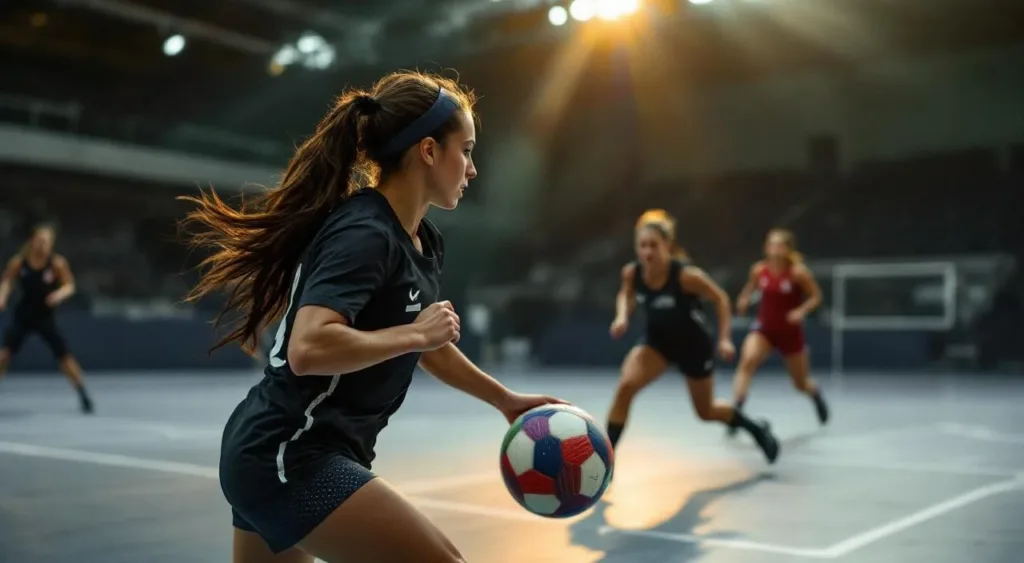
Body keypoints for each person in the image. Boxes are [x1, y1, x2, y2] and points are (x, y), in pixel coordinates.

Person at [179, 70, 568, 563]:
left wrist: (504, 400)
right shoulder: (364, 232)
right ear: (428, 151)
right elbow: (308, 348)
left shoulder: (422, 239)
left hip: (286, 451)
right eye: (466, 150)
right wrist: (412, 333)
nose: (472, 169)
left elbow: (427, 344)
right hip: (290, 454)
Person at [607, 209, 780, 464]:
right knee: (625, 387)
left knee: (706, 411)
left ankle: (755, 428)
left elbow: (720, 299)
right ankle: (605, 460)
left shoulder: (687, 277)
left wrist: (724, 338)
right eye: (642, 246)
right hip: (657, 343)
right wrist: (622, 316)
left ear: (667, 245)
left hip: (693, 346)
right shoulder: (632, 273)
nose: (647, 252)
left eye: (654, 245)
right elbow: (626, 294)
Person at [728, 228, 828, 436]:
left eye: (780, 246)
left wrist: (801, 311)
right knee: (747, 360)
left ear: (788, 250)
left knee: (800, 383)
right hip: (765, 329)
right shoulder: (759, 270)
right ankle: (737, 410)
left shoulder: (798, 273)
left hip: (790, 333)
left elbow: (816, 296)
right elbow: (750, 288)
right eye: (771, 245)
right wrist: (744, 299)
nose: (775, 250)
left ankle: (815, 394)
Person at [0, 223, 94, 413]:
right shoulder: (20, 262)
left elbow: (69, 285)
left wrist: (59, 295)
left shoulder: (57, 264)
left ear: (51, 244)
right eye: (39, 240)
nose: (42, 245)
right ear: (33, 241)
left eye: (46, 241)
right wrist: (2, 297)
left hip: (45, 318)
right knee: (5, 355)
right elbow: (7, 281)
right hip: (24, 316)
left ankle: (83, 394)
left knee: (65, 356)